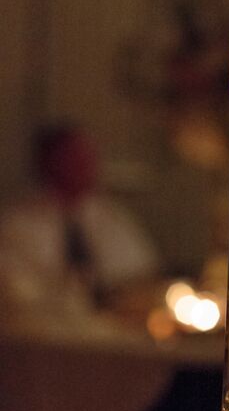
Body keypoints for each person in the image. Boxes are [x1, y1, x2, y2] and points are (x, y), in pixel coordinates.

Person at [0, 123, 158, 320]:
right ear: (49, 162)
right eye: (73, 158)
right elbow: (16, 294)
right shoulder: (18, 226)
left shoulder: (112, 218)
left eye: (87, 158)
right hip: (44, 335)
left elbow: (141, 275)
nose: (85, 166)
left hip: (114, 333)